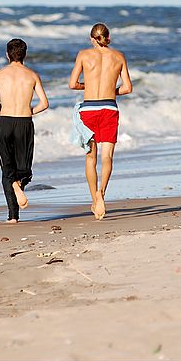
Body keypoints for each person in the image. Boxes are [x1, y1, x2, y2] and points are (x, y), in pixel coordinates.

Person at [69, 23, 133, 220]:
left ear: (91, 39)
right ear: (108, 37)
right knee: (107, 158)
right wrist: (109, 91)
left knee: (91, 157)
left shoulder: (83, 54)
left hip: (89, 109)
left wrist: (87, 86)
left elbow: (72, 84)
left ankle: (94, 200)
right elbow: (127, 88)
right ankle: (101, 193)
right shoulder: (119, 56)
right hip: (109, 108)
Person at [0, 38, 50, 223]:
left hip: (5, 122)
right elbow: (44, 104)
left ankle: (13, 216)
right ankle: (18, 184)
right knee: (24, 169)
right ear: (25, 54)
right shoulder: (32, 75)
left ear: (7, 54)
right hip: (24, 123)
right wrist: (29, 112)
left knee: (7, 168)